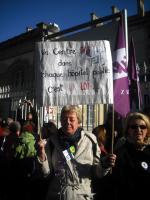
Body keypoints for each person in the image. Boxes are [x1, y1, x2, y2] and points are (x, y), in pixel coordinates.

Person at [37, 105, 116, 200]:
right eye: (64, 119)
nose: (67, 122)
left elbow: (97, 173)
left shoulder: (90, 140)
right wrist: (41, 156)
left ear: (79, 121)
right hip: (58, 196)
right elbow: (46, 173)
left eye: (72, 119)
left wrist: (104, 165)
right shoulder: (52, 141)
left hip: (82, 196)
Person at [110, 112, 150, 200]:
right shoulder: (120, 153)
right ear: (128, 130)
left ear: (147, 130)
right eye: (134, 127)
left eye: (143, 127)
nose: (138, 130)